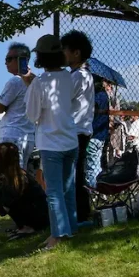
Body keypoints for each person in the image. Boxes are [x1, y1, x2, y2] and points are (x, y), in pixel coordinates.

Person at [25, 34, 80, 251]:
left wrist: (30, 86)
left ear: (40, 57)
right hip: (70, 139)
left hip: (51, 142)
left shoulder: (40, 83)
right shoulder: (69, 77)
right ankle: (71, 228)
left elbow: (32, 114)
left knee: (54, 191)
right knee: (68, 188)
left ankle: (57, 236)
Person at [61, 30, 96, 223]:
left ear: (76, 53)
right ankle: (79, 214)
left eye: (65, 50)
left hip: (76, 132)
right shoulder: (79, 75)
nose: (62, 54)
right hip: (78, 131)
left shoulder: (79, 76)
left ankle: (80, 215)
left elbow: (60, 100)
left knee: (73, 175)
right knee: (75, 174)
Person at [0, 142, 50, 238]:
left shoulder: (13, 180)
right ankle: (24, 226)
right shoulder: (19, 175)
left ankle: (27, 228)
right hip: (42, 214)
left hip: (39, 218)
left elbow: (4, 209)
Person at [0, 43, 37, 169]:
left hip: (12, 133)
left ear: (20, 59)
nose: (6, 63)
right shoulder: (36, 80)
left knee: (8, 175)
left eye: (9, 59)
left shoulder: (15, 81)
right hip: (28, 134)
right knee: (21, 173)